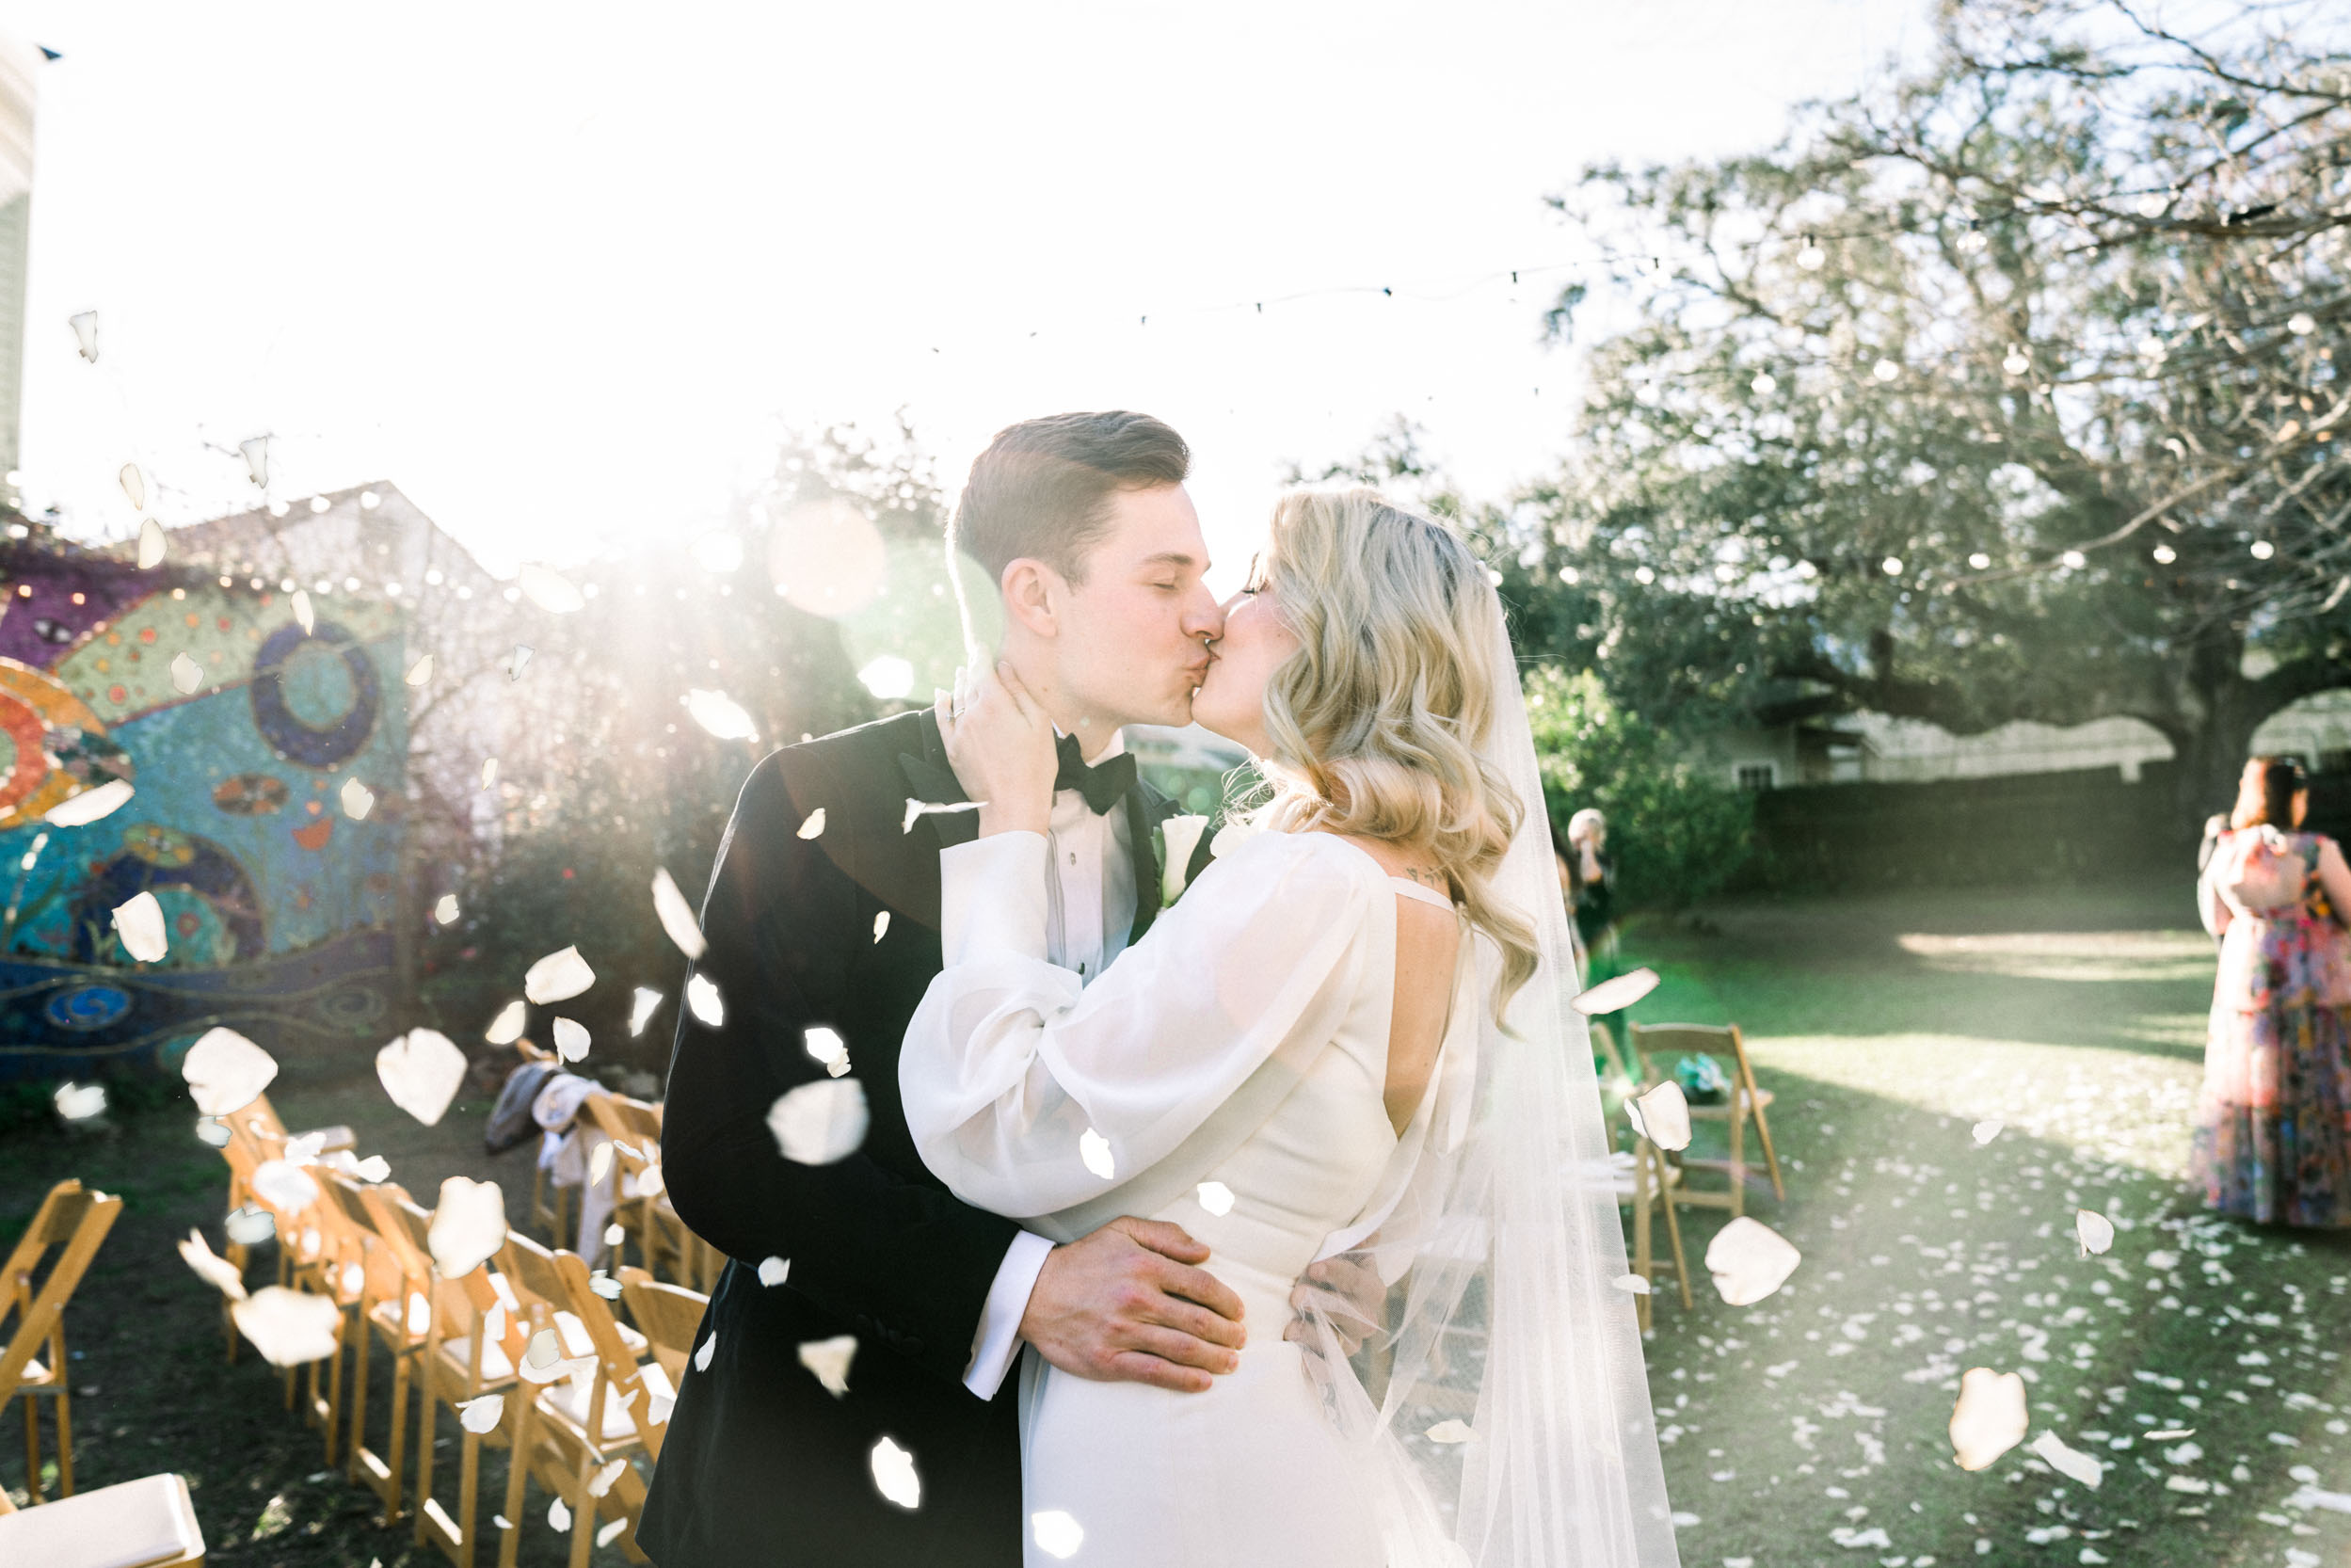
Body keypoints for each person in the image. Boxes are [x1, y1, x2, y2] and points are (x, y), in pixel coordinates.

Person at [902, 490, 1678, 1566]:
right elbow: (1371, 1234)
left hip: (1165, 1448)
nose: (1217, 611)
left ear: (1342, 637)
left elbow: (1005, 1123)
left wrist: (1009, 826)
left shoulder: (1308, 881)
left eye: (1259, 584)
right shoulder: (1431, 906)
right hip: (1254, 1421)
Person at [642, 413, 1252, 1566]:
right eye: (1166, 577)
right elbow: (721, 1148)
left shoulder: (1190, 837)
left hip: (1093, 1483)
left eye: (1205, 577)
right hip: (820, 1476)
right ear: (1036, 594)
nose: (1208, 613)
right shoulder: (814, 796)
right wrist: (1022, 1290)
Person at [2191, 755, 2351, 1227]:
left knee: (2258, 1081)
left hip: (2252, 978)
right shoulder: (2317, 850)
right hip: (2314, 981)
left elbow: (2216, 921)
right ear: (2295, 797)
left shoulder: (2228, 849)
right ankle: (2319, 1193)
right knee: (2317, 1079)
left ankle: (2260, 1195)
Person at [1566, 806, 1617, 960]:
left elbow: (1589, 876)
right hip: (1572, 930)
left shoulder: (1604, 861)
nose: (1578, 838)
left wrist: (1587, 847)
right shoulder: (1569, 860)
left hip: (1597, 929)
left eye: (1585, 833)